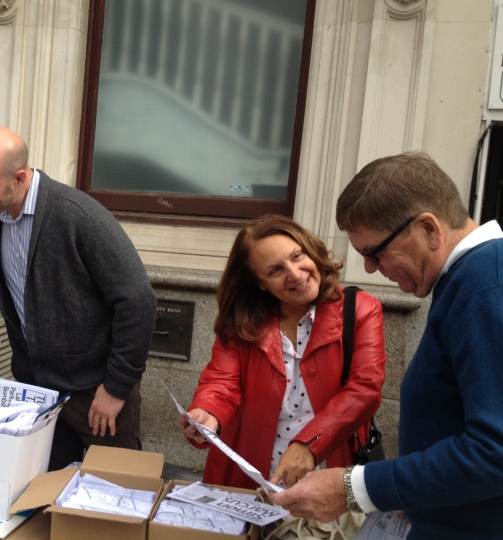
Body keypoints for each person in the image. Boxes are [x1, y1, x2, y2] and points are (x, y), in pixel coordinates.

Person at [270, 152, 503, 539]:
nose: (370, 269)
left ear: (428, 228)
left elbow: (495, 451)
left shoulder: (483, 287)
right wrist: (408, 491)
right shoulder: (474, 279)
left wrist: (355, 488)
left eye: (374, 252)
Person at [0, 126, 157, 470]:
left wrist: (116, 389)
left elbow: (137, 300)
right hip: (37, 394)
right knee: (38, 498)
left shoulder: (79, 216)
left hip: (96, 395)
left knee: (113, 496)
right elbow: (11, 282)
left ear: (19, 178)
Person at [178, 215, 386, 490]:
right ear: (260, 283)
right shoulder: (244, 321)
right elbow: (220, 382)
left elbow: (365, 389)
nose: (296, 274)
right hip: (249, 476)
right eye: (275, 270)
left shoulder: (360, 309)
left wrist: (309, 444)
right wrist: (207, 414)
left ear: (310, 249)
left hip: (325, 473)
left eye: (297, 255)